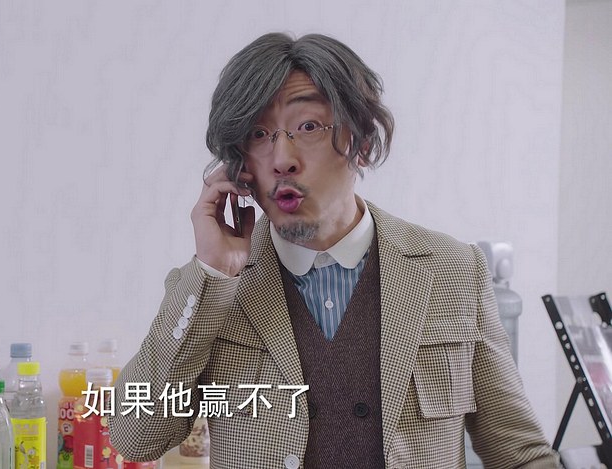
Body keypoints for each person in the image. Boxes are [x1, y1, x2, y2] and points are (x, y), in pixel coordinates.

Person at [107, 32, 558, 469]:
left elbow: (521, 456)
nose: (282, 159)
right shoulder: (212, 290)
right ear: (239, 166)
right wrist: (215, 272)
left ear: (362, 144)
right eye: (259, 134)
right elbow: (135, 436)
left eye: (307, 127)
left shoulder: (453, 270)